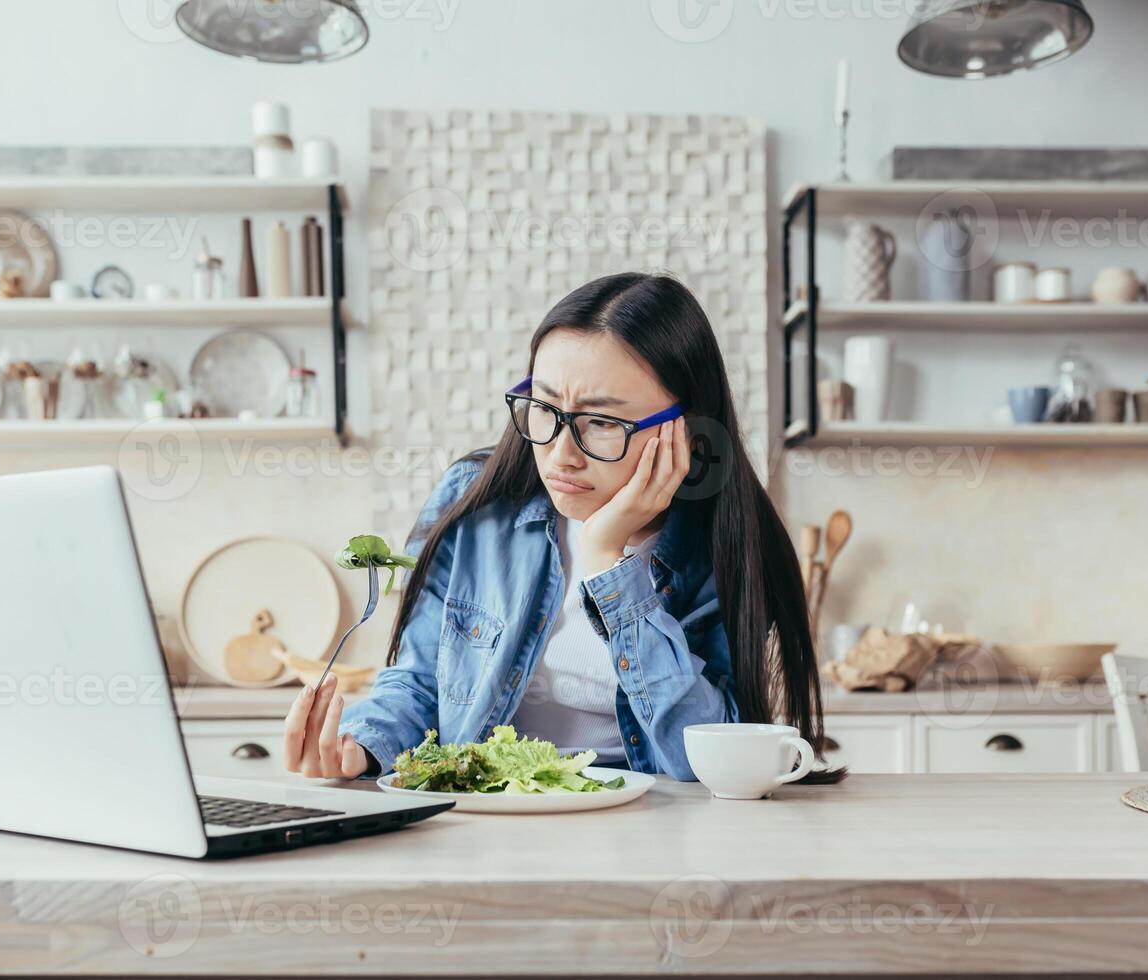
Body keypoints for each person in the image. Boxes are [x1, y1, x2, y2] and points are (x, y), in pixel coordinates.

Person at [283, 272, 833, 782]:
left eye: (601, 421)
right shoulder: (474, 505)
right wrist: (359, 744)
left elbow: (707, 760)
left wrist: (607, 562)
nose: (561, 455)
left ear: (686, 432)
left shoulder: (727, 545)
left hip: (657, 834)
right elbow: (422, 681)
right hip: (487, 821)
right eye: (545, 407)